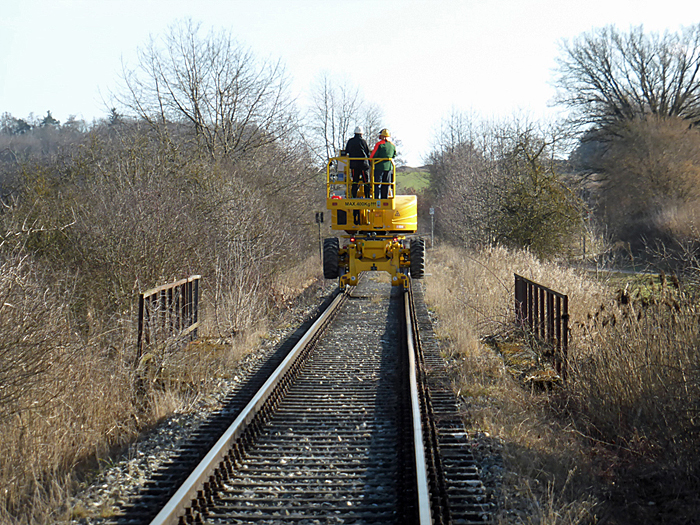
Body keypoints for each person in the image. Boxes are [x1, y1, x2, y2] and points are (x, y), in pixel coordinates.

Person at [344, 126, 371, 225]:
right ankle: (368, 196)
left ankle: (353, 195)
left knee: (355, 181)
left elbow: (346, 151)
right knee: (366, 181)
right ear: (361, 134)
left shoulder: (350, 141)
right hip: (363, 165)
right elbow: (367, 153)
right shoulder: (363, 142)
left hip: (354, 165)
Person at [369, 128, 397, 199]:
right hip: (389, 168)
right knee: (386, 184)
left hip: (378, 167)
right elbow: (394, 155)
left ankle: (376, 197)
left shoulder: (379, 144)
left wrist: (370, 162)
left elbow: (373, 156)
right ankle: (384, 198)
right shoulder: (393, 145)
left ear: (382, 136)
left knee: (377, 183)